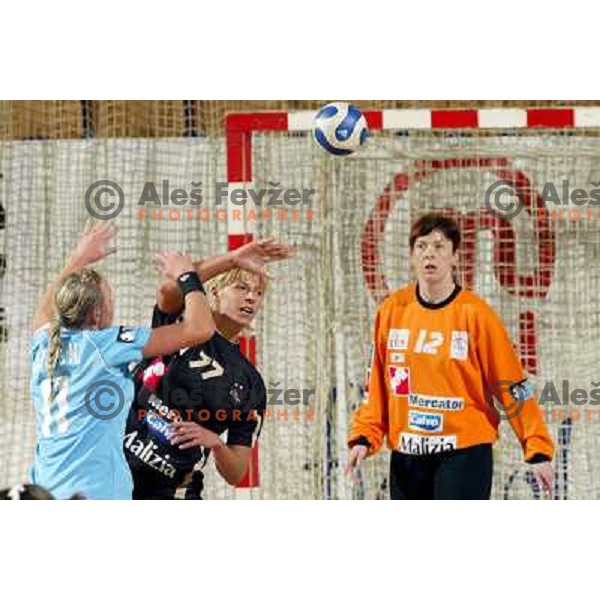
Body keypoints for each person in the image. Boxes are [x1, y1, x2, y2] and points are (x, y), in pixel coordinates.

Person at [345, 213, 554, 500]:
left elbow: (512, 385)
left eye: (439, 246)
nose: (429, 253)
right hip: (407, 455)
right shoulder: (393, 311)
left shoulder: (477, 315)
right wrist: (364, 436)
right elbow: (378, 385)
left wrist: (537, 447)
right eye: (421, 246)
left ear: (455, 256)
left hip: (463, 455)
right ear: (411, 256)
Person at [29, 222, 215, 500]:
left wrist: (78, 259)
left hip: (45, 490)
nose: (114, 306)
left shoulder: (44, 342)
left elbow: (45, 309)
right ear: (96, 314)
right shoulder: (106, 344)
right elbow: (200, 329)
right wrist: (187, 275)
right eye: (110, 299)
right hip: (94, 493)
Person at [124, 239, 293, 499]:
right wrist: (232, 259)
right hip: (114, 470)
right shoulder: (181, 322)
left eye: (258, 293)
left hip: (168, 492)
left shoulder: (250, 382)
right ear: (214, 291)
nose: (251, 297)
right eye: (241, 287)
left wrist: (215, 442)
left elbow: (236, 471)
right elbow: (170, 289)